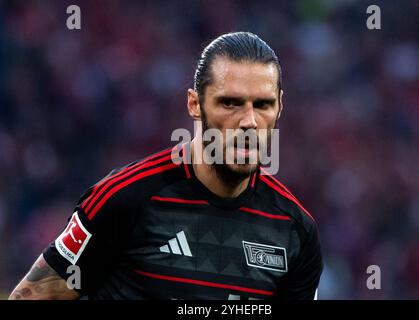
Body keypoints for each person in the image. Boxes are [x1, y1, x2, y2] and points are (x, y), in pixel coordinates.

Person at [9, 32, 323, 300]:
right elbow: (33, 295)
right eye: (230, 103)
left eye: (263, 105)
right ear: (194, 104)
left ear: (279, 106)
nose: (249, 122)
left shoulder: (295, 231)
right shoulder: (124, 199)